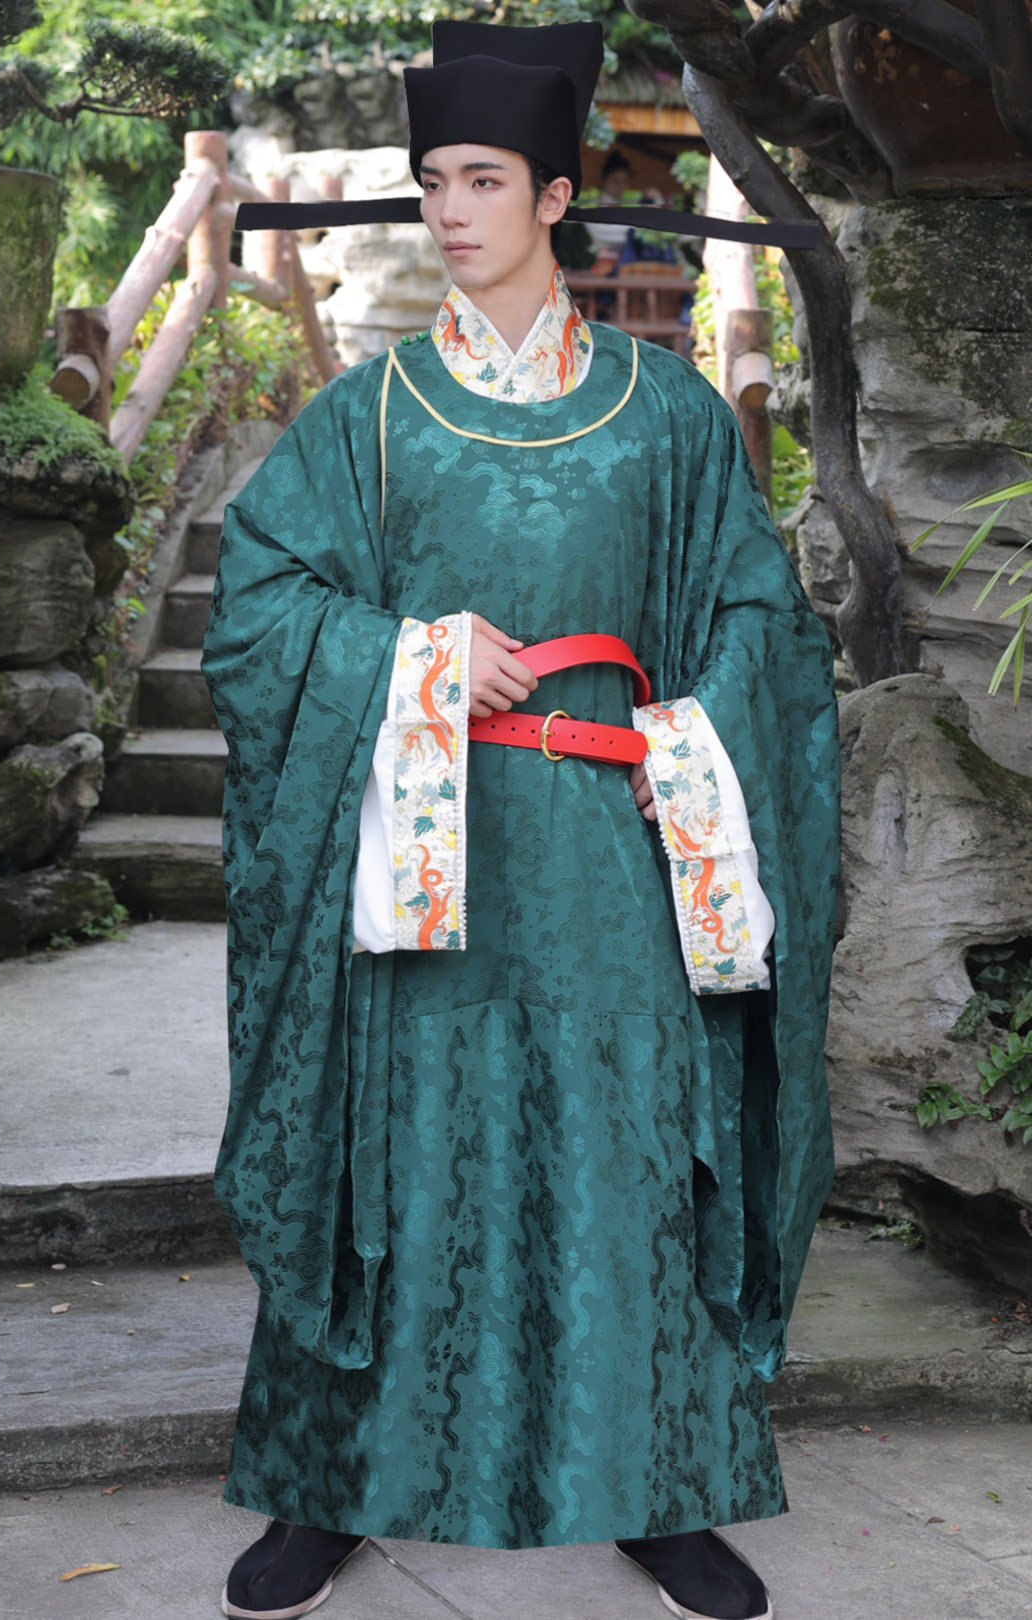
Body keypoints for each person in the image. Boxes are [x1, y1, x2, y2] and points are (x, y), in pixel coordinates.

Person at [201, 20, 841, 1620]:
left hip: (616, 855)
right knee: (398, 1158)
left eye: (482, 181)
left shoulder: (667, 414)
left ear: (556, 195)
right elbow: (257, 611)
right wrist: (412, 657)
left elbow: (760, 623)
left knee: (632, 1157)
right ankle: (329, 1483)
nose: (450, 210)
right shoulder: (373, 414)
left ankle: (660, 1486)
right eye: (433, 181)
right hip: (422, 862)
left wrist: (684, 743)